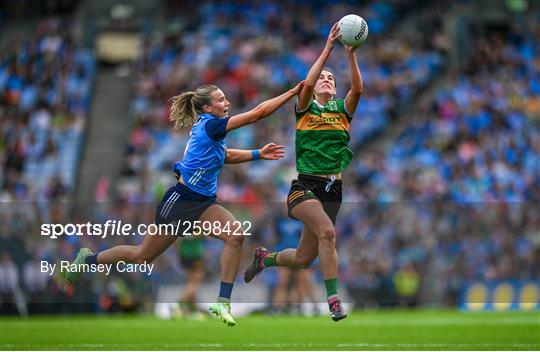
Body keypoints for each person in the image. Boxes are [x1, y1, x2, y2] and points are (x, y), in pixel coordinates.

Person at [64, 81, 303, 326]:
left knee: (236, 236)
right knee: (142, 256)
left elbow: (224, 155)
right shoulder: (211, 126)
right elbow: (257, 114)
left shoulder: (211, 129)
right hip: (180, 202)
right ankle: (88, 259)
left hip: (203, 204)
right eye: (221, 99)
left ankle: (222, 302)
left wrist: (257, 154)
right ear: (208, 107)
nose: (227, 102)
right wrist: (292, 93)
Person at [244, 22, 363, 321]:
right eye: (321, 76)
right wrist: (328, 48)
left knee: (301, 259)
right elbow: (306, 85)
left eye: (330, 79)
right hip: (305, 187)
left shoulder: (341, 110)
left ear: (335, 88)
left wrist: (351, 54)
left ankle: (265, 259)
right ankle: (333, 300)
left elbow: (358, 89)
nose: (324, 80)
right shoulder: (306, 108)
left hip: (333, 190)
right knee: (328, 232)